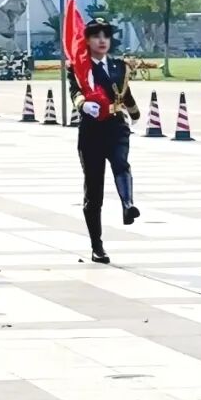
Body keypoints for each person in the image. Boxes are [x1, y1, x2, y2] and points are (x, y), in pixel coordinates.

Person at [68, 17, 141, 264]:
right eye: (96, 36)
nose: (102, 40)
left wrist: (135, 114)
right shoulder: (80, 67)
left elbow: (124, 93)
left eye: (105, 36)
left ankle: (128, 204)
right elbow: (74, 90)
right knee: (94, 190)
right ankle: (97, 245)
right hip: (92, 129)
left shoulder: (119, 66)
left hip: (115, 125)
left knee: (121, 163)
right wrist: (82, 104)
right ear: (87, 40)